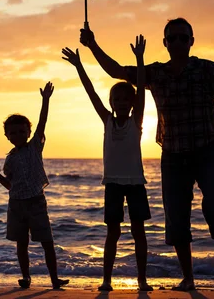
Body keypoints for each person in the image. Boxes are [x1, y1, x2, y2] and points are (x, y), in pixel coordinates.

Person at [79, 18, 214, 292]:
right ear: (165, 43)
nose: (178, 42)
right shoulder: (155, 73)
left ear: (192, 41)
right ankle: (188, 277)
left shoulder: (208, 69)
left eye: (183, 37)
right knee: (177, 218)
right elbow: (116, 71)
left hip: (208, 151)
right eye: (173, 38)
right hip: (173, 155)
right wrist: (92, 44)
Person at [62, 36, 153, 292]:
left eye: (126, 100)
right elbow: (91, 93)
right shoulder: (108, 121)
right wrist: (80, 66)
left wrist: (139, 59)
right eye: (117, 100)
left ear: (132, 103)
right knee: (112, 233)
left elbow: (142, 97)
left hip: (135, 183)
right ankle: (106, 280)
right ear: (112, 104)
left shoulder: (137, 121)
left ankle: (143, 280)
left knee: (139, 233)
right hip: (112, 184)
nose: (121, 104)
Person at [0, 82, 70, 290]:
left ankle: (54, 279)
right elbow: (10, 185)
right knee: (21, 243)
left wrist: (45, 101)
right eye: (13, 133)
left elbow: (42, 123)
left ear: (28, 132)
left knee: (47, 242)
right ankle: (26, 277)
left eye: (21, 131)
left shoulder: (35, 146)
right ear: (7, 136)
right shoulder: (10, 159)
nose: (17, 135)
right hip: (16, 204)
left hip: (36, 202)